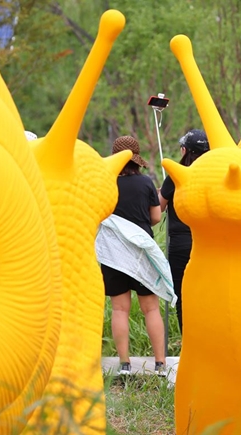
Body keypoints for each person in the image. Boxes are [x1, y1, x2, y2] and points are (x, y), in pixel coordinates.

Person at [101, 135, 166, 376]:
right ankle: (160, 365)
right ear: (137, 159)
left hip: (113, 252)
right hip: (140, 251)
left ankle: (125, 364)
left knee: (120, 309)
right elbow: (156, 217)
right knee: (151, 309)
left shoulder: (106, 183)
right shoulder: (146, 183)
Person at [158, 129, 210, 335]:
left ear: (185, 151)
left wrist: (162, 192)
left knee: (182, 295)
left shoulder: (176, 175)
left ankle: (188, 341)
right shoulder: (213, 174)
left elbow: (159, 208)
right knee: (207, 294)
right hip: (207, 244)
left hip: (180, 245)